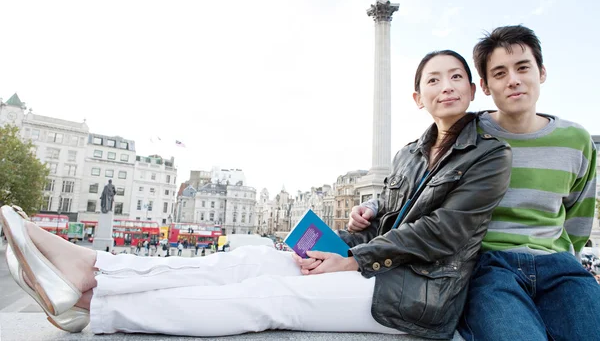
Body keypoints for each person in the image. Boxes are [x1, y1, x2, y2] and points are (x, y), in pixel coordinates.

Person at [0, 50, 512, 338]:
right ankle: (93, 271)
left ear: (472, 90)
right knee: (242, 265)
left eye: (457, 77)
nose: (447, 85)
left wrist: (353, 260)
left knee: (269, 298)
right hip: (376, 266)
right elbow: (395, 211)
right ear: (417, 97)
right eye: (433, 79)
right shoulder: (409, 152)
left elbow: (446, 231)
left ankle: (95, 303)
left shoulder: (489, 154)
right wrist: (367, 213)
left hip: (417, 295)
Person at [454, 25, 600, 341]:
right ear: (485, 86)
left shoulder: (576, 140)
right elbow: (417, 170)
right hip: (490, 269)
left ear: (542, 72)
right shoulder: (469, 134)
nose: (514, 80)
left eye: (523, 68)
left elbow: (579, 218)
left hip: (559, 268)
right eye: (500, 73)